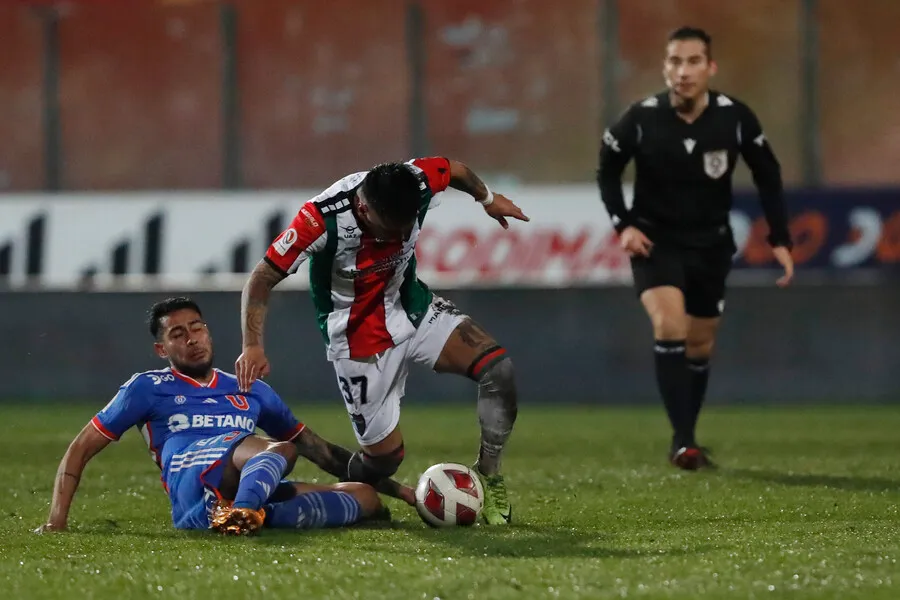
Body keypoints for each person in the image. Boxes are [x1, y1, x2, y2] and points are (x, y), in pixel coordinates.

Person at [234, 157, 529, 525]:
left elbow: (454, 169)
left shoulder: (417, 180)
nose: (398, 238)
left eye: (406, 227)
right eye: (390, 230)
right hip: (358, 342)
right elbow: (260, 278)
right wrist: (252, 344)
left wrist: (487, 199)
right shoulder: (318, 220)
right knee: (385, 459)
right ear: (364, 208)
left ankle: (489, 474)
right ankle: (343, 495)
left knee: (498, 371)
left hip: (414, 309)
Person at [36, 297, 413, 536]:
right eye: (178, 334)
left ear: (209, 332)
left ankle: (245, 515)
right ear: (161, 348)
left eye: (197, 327)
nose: (191, 338)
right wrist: (57, 520)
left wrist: (404, 494)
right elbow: (81, 448)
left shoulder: (252, 389)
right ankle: (245, 511)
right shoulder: (147, 388)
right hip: (192, 488)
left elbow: (321, 452)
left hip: (247, 480)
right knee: (276, 450)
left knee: (363, 498)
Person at [597, 26, 795, 469]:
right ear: (665, 67)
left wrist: (780, 237)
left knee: (700, 344)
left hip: (710, 245)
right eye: (674, 62)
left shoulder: (735, 117)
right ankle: (684, 443)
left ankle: (686, 437)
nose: (682, 71)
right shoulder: (642, 117)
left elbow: (768, 173)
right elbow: (608, 170)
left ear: (710, 67)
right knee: (670, 325)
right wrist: (623, 224)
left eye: (692, 62)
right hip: (656, 242)